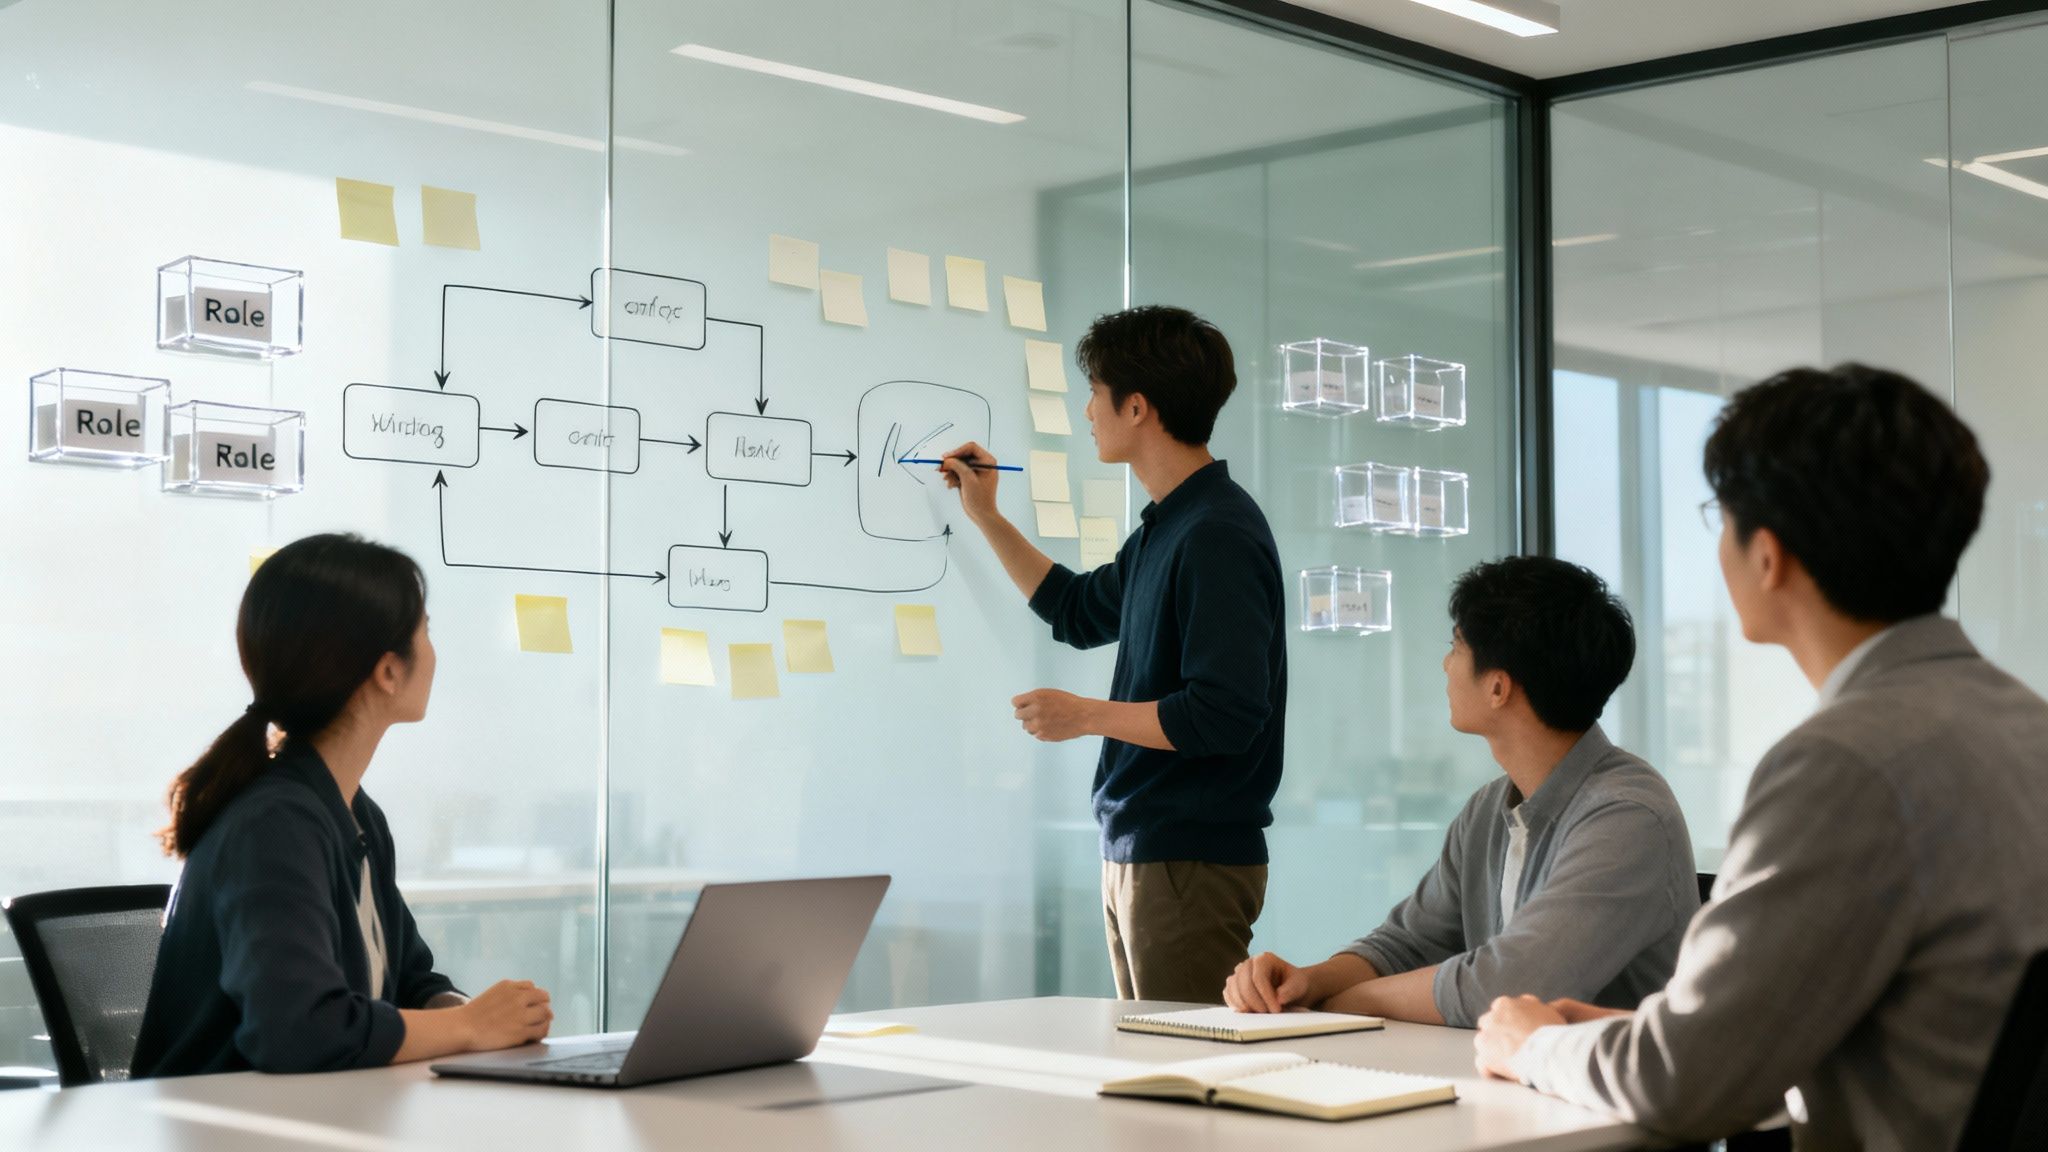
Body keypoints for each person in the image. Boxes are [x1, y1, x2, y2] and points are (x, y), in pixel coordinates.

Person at [1474, 364, 2048, 1150]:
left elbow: (1686, 1086)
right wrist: (1635, 1031)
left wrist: (1532, 1046)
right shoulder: (2025, 725)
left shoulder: (1842, 765)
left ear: (1768, 555)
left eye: (1721, 517)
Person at [939, 305, 1285, 1003]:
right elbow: (1075, 610)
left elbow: (1224, 713)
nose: (1087, 408)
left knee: (1184, 1084)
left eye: (1095, 392)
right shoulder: (1171, 526)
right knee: (1158, 1072)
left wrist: (1086, 715)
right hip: (1148, 850)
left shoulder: (1215, 534)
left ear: (1136, 407)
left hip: (1186, 856)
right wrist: (987, 517)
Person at [132, 534, 553, 1077]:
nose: (433, 650)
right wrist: (470, 1028)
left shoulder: (353, 813)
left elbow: (407, 979)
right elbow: (297, 1029)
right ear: (388, 671)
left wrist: (471, 1016)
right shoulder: (274, 824)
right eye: (425, 631)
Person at [1224, 556, 1696, 1026]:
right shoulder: (1490, 810)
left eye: (1456, 646)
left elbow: (1509, 987)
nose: (1446, 664)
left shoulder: (1628, 817)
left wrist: (1354, 1002)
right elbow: (1408, 944)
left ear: (1497, 688)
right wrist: (1309, 981)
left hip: (1611, 1096)